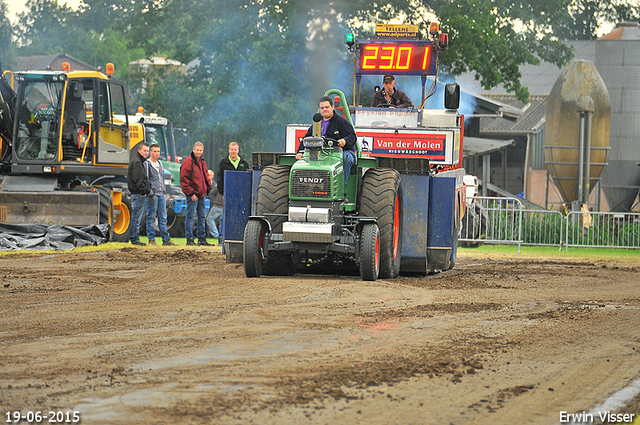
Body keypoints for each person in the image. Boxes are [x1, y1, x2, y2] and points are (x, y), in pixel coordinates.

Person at [296, 96, 357, 192]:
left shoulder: (341, 122)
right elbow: (306, 138)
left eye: (327, 107)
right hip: (322, 153)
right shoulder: (316, 125)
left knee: (346, 158)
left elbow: (352, 136)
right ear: (319, 110)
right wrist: (300, 152)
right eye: (322, 108)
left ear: (332, 107)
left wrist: (344, 141)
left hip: (342, 152)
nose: (325, 109)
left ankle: (341, 189)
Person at [180, 141, 212, 246]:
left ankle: (201, 238)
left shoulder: (202, 162)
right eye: (197, 150)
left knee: (202, 217)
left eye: (200, 150)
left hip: (202, 194)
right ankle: (189, 238)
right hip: (193, 195)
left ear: (202, 151)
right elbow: (184, 180)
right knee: (191, 216)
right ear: (193, 150)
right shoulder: (188, 162)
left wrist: (207, 189)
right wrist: (191, 193)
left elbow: (205, 176)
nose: (198, 152)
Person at [144, 143, 176, 246]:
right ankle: (151, 239)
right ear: (150, 152)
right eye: (154, 151)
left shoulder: (160, 164)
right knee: (151, 217)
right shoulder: (147, 164)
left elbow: (162, 179)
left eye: (158, 151)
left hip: (161, 195)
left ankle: (165, 240)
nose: (157, 153)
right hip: (153, 195)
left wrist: (164, 193)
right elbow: (146, 180)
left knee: (163, 218)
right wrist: (151, 194)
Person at [127, 142, 150, 246]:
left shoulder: (139, 161)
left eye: (147, 151)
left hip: (139, 194)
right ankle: (135, 239)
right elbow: (138, 179)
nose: (146, 153)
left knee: (137, 217)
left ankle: (135, 237)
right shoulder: (137, 162)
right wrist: (143, 191)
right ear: (139, 151)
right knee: (136, 217)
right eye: (144, 151)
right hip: (138, 194)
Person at [216, 141, 250, 207]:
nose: (233, 151)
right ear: (229, 150)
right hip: (227, 193)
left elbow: (247, 179)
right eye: (232, 149)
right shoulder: (223, 163)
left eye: (235, 149)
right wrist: (222, 192)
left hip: (241, 194)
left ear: (238, 150)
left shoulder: (244, 163)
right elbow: (219, 178)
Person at [206, 169, 223, 242]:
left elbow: (212, 193)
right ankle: (222, 235)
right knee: (220, 221)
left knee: (209, 219)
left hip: (218, 205)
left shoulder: (217, 185)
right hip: (223, 206)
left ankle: (216, 235)